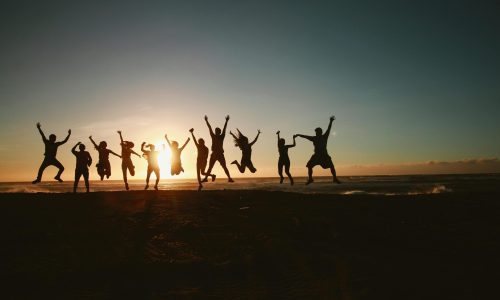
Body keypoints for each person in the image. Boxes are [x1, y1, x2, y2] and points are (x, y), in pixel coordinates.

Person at [295, 116, 341, 185]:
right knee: (309, 166)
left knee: (331, 166)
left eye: (317, 132)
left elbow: (329, 129)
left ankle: (334, 178)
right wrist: (299, 135)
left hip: (324, 155)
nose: (316, 133)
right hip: (316, 155)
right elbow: (306, 136)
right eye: (316, 132)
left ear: (320, 132)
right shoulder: (314, 138)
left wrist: (331, 121)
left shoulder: (324, 137)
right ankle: (310, 179)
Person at [201, 115, 234, 183]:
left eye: (217, 131)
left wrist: (226, 121)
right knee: (210, 167)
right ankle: (206, 178)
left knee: (224, 167)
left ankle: (229, 178)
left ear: (219, 132)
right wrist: (206, 121)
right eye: (216, 131)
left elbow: (224, 129)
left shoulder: (221, 136)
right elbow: (209, 128)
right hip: (214, 154)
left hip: (220, 154)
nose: (216, 132)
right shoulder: (213, 136)